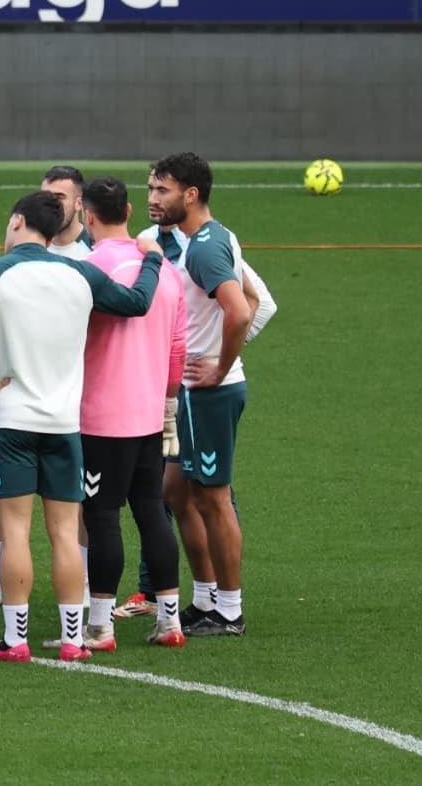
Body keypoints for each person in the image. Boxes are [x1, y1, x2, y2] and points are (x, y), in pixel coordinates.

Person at [0, 192, 165, 662]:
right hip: (65, 423)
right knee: (66, 533)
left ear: (18, 221)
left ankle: (15, 639)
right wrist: (152, 261)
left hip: (11, 422)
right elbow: (136, 303)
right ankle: (71, 640)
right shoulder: (81, 273)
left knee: (16, 531)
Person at [74, 176, 187, 650]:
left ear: (89, 215)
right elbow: (178, 348)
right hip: (148, 415)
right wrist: (167, 407)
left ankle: (100, 625)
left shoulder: (86, 268)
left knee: (101, 515)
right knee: (151, 512)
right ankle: (170, 622)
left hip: (101, 416)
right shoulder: (166, 272)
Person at [144, 153, 253, 637]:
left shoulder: (206, 247)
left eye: (161, 190)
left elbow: (242, 311)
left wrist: (219, 367)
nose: (151, 198)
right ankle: (206, 598)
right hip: (192, 394)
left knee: (213, 498)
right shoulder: (204, 239)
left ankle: (229, 610)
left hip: (209, 394)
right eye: (150, 188)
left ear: (190, 194)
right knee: (176, 490)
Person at [41, 166, 92, 259]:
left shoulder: (94, 250)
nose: (50, 204)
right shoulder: (32, 247)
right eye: (45, 197)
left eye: (59, 197)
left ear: (79, 203)